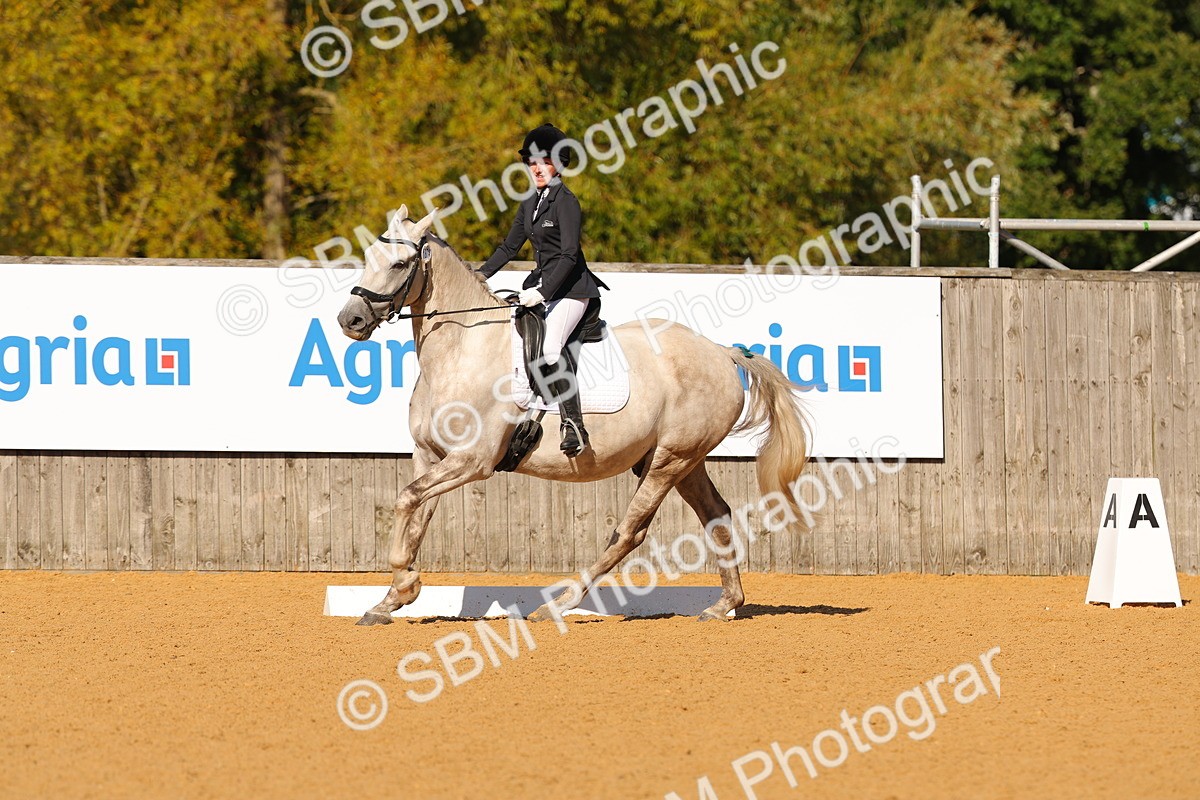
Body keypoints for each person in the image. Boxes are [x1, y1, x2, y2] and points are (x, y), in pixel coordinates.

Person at [479, 123, 607, 458]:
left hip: (572, 290)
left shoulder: (567, 202)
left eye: (544, 162)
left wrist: (543, 292)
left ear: (559, 164)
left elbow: (568, 255)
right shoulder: (530, 203)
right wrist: (479, 277)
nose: (536, 168)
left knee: (550, 348)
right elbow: (508, 249)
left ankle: (574, 425)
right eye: (532, 162)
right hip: (542, 286)